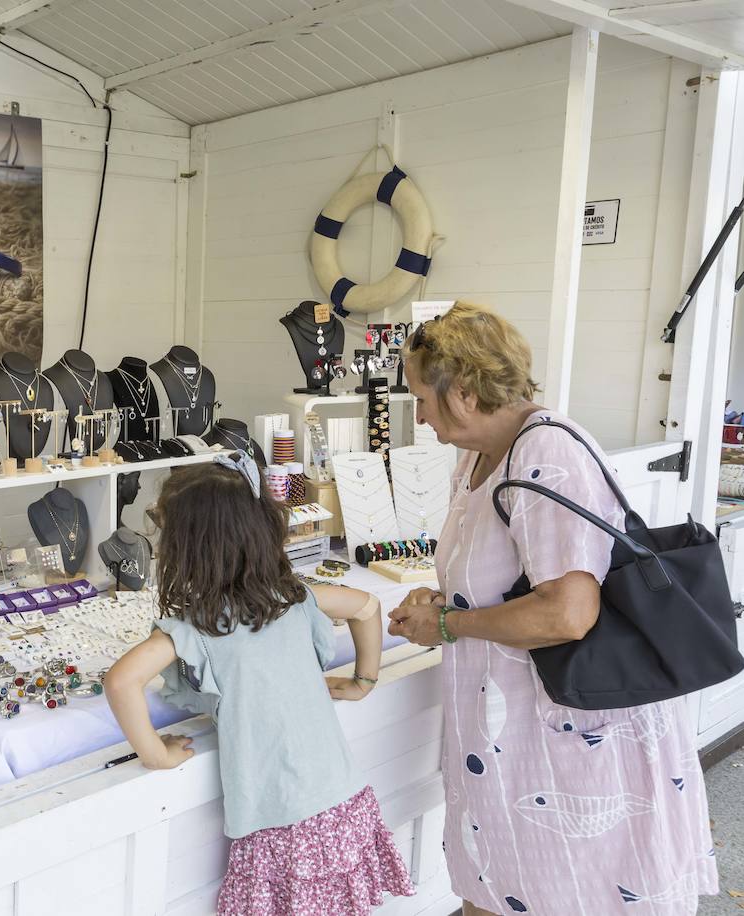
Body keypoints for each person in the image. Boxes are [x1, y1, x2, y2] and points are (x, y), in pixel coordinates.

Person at [386, 302, 717, 915]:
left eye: (419, 397)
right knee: (493, 890)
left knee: (569, 895)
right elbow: (496, 576)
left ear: (461, 392)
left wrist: (448, 624)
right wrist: (441, 603)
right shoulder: (477, 456)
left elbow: (566, 614)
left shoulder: (549, 456)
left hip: (569, 736)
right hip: (509, 737)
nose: (419, 412)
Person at [105, 452, 414, 915]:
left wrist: (156, 754)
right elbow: (367, 605)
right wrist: (364, 679)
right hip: (342, 802)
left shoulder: (198, 628)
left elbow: (121, 680)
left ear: (187, 549)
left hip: (279, 823)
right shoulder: (293, 598)